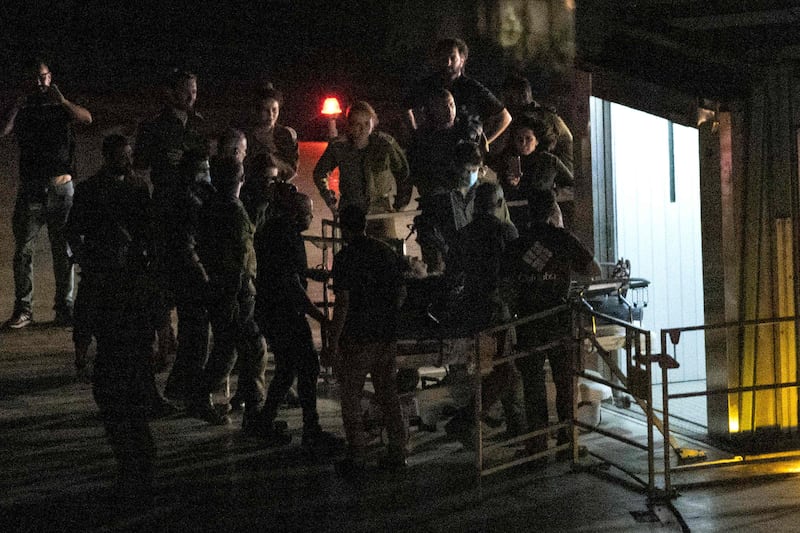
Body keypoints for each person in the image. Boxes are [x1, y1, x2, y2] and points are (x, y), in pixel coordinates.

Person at [504, 190, 601, 457]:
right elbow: (594, 272)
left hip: (527, 323)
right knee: (565, 382)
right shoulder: (563, 239)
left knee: (533, 384)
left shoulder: (518, 243)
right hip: (559, 321)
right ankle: (567, 441)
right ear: (553, 211)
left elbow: (507, 286)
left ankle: (536, 443)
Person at [0, 59, 92, 328]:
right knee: (23, 252)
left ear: (51, 77)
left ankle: (64, 308)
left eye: (43, 77)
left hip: (61, 188)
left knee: (62, 252)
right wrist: (17, 105)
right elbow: (3, 131)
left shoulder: (59, 106)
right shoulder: (24, 109)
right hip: (31, 190)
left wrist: (63, 102)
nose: (40, 83)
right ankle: (24, 308)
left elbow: (87, 118)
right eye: (35, 78)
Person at [324, 205, 409, 476]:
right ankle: (398, 451)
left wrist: (333, 340)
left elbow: (344, 303)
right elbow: (401, 292)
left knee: (350, 396)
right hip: (385, 334)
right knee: (388, 394)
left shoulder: (345, 258)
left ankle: (357, 455)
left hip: (358, 337)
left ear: (342, 227)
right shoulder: (386, 252)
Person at [251, 190, 339, 449]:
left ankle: (265, 420)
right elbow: (290, 284)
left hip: (269, 309)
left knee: (287, 367)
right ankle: (311, 429)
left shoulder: (271, 230)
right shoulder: (288, 236)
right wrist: (320, 316)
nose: (311, 218)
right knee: (308, 366)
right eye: (309, 213)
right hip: (284, 312)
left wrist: (309, 272)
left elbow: (282, 269)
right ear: (296, 214)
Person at [194, 156, 267, 427]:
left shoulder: (212, 206)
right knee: (253, 346)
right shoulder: (232, 210)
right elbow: (241, 246)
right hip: (235, 290)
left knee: (227, 349)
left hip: (220, 287)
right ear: (241, 180)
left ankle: (202, 396)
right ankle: (254, 408)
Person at [313, 101, 411, 239]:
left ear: (373, 122)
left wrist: (401, 202)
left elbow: (403, 172)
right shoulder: (339, 147)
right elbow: (319, 173)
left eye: (366, 123)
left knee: (387, 250)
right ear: (349, 125)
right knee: (355, 254)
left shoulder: (385, 145)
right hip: (351, 210)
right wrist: (330, 200)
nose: (363, 129)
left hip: (380, 209)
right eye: (357, 124)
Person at [403, 38, 511, 148]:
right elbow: (405, 107)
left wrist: (485, 142)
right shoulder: (428, 85)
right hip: (434, 150)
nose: (447, 62)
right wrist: (414, 134)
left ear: (462, 59)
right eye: (443, 57)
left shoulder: (472, 88)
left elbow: (504, 116)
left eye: (452, 57)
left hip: (465, 152)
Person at [487, 115, 573, 230]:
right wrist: (512, 184)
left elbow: (570, 184)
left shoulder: (549, 161)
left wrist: (553, 193)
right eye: (520, 139)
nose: (524, 143)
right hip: (517, 217)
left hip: (546, 216)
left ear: (537, 141)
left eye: (528, 139)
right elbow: (502, 194)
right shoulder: (508, 160)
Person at [412, 140, 484, 273]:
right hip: (444, 254)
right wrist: (444, 253)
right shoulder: (438, 193)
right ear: (455, 166)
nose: (470, 176)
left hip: (471, 254)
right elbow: (428, 230)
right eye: (466, 171)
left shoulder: (483, 192)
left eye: (474, 170)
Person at [499, 74, 574, 173]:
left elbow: (541, 151)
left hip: (562, 177)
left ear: (522, 97)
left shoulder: (542, 119)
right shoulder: (526, 118)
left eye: (509, 98)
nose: (505, 104)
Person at [244, 84, 299, 183]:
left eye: (274, 110)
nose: (271, 115)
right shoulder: (245, 134)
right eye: (266, 110)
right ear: (256, 111)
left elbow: (292, 170)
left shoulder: (285, 134)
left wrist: (270, 159)